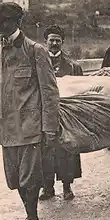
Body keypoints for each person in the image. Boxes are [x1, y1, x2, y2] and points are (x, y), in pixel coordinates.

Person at [0, 2, 60, 220]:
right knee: (15, 179)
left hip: (30, 129)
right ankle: (30, 219)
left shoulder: (35, 50)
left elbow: (50, 93)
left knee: (29, 180)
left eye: (4, 21)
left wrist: (49, 128)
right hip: (6, 128)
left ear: (17, 22)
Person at [39, 25, 83, 201]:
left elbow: (81, 90)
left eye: (58, 40)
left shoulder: (72, 66)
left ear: (62, 42)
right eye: (52, 40)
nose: (55, 43)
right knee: (45, 151)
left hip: (66, 115)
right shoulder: (39, 62)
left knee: (67, 150)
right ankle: (47, 187)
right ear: (46, 42)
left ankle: (67, 187)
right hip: (44, 114)